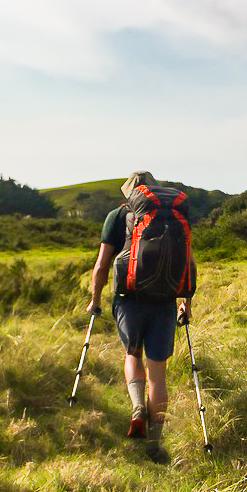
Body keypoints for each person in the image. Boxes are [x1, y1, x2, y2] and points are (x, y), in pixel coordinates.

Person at [86, 171, 194, 464]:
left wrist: (95, 299)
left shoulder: (116, 216)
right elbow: (188, 260)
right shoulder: (173, 217)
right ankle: (155, 446)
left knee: (133, 354)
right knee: (158, 373)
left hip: (128, 299)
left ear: (130, 193)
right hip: (165, 301)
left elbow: (102, 264)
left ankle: (137, 407)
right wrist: (187, 302)